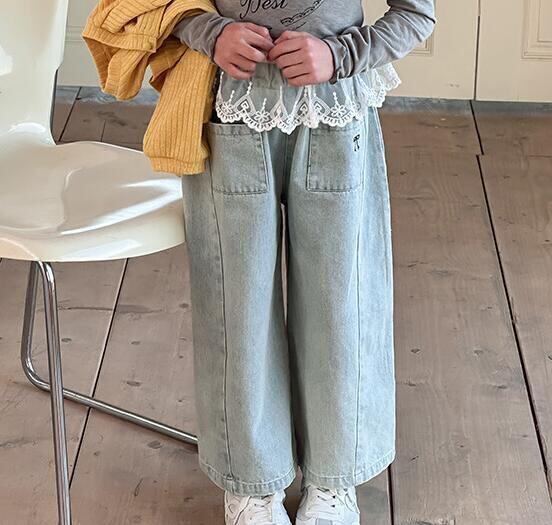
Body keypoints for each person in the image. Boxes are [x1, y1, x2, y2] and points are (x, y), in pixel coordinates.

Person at [172, 1, 436, 524]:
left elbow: (416, 12)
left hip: (336, 108)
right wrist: (208, 32)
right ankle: (251, 480)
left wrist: (340, 55)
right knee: (236, 302)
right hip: (230, 106)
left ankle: (333, 478)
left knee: (340, 300)